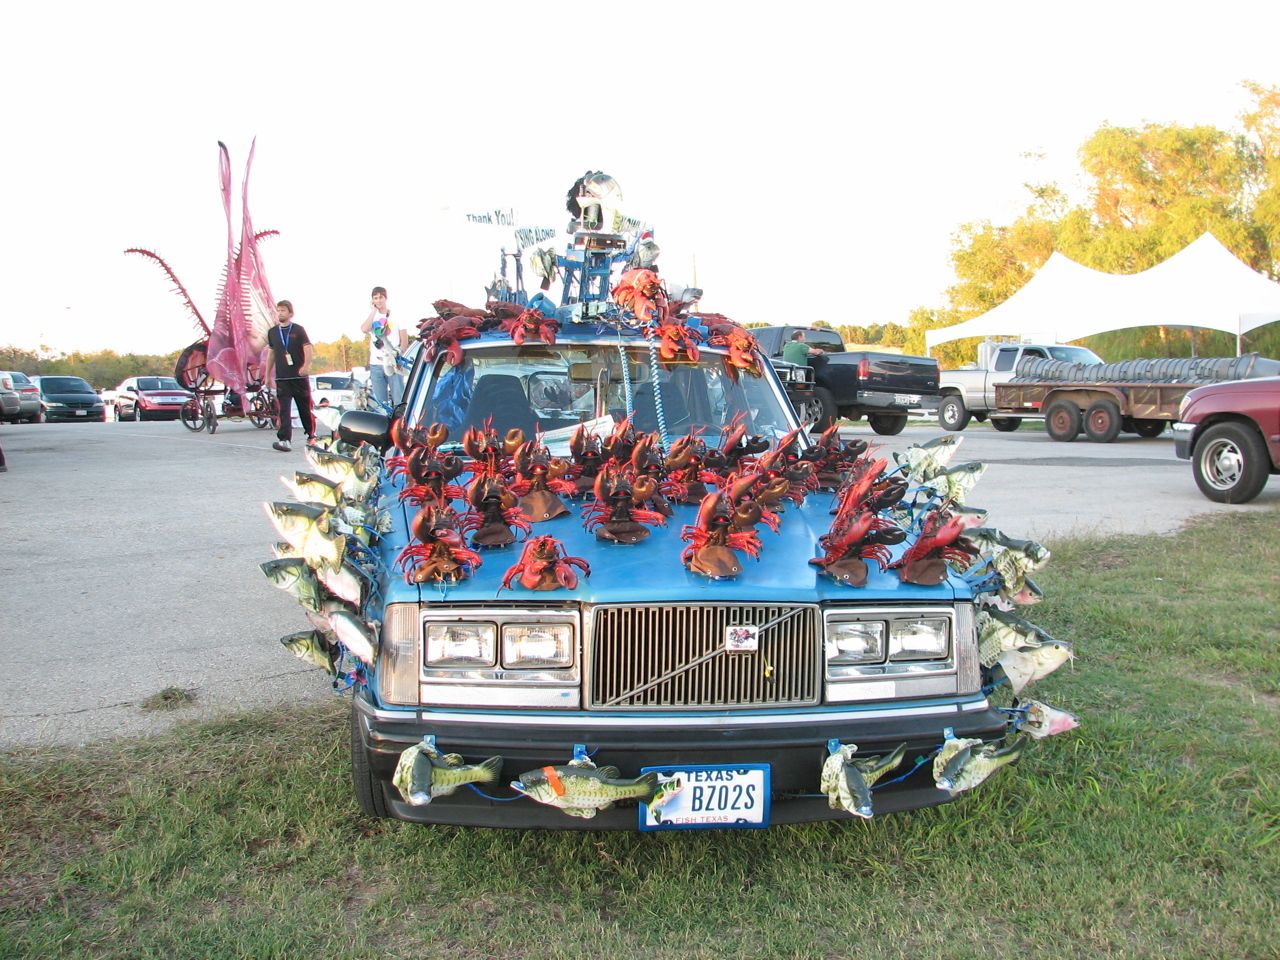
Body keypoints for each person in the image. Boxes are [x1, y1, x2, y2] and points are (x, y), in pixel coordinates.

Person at [266, 299, 314, 452]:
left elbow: (308, 348)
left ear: (290, 313)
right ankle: (285, 440)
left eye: (283, 311)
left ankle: (311, 435)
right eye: (278, 310)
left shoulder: (298, 330)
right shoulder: (273, 332)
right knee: (284, 410)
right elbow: (271, 354)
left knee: (304, 408)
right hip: (282, 378)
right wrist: (267, 375)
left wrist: (306, 366)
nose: (280, 313)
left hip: (298, 377)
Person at [361, 286, 409, 407]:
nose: (378, 301)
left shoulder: (397, 316)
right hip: (376, 364)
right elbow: (364, 329)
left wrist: (398, 352)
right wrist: (373, 311)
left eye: (381, 297)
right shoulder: (373, 317)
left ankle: (399, 423)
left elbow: (404, 341)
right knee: (380, 403)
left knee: (399, 399)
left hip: (392, 361)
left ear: (385, 298)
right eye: (375, 298)